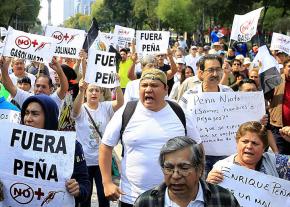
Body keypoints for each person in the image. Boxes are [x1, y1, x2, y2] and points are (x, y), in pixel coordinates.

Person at [99, 68, 200, 206]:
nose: (148, 89)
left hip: (175, 199)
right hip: (132, 198)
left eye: (154, 85)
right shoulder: (126, 112)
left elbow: (198, 148)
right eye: (144, 85)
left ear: (166, 89)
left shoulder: (180, 113)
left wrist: (197, 181)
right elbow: (105, 147)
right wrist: (107, 183)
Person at [20, 94, 90, 206]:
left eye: (35, 114)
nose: (28, 119)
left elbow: (85, 184)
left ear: (49, 117)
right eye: (26, 113)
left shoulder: (71, 146)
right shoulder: (14, 143)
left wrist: (78, 189)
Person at [134, 136, 240, 207]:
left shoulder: (224, 200)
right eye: (169, 168)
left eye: (184, 168)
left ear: (200, 169)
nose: (175, 176)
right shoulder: (146, 202)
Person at [72, 79, 124, 207]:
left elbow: (120, 103)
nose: (94, 93)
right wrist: (81, 90)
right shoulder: (81, 108)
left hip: (102, 162)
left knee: (103, 196)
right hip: (84, 162)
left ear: (101, 93)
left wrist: (117, 84)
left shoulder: (105, 107)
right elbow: (74, 111)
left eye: (97, 90)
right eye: (91, 90)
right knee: (85, 198)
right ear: (86, 93)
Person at [179, 55, 233, 175]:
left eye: (218, 69)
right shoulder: (189, 96)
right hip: (198, 157)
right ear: (201, 73)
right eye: (210, 70)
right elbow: (179, 122)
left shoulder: (229, 93)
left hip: (226, 156)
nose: (215, 74)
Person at [207, 121, 289, 184]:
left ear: (264, 147)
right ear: (237, 142)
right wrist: (209, 185)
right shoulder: (221, 168)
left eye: (254, 143)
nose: (249, 146)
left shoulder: (275, 162)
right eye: (245, 141)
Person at [0, 56, 68, 109]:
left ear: (51, 89)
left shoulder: (54, 99)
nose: (39, 89)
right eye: (37, 86)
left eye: (44, 87)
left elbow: (64, 88)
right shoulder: (27, 98)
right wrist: (4, 69)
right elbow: (9, 86)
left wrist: (59, 70)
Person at [266, 57, 290, 155]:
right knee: (280, 158)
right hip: (278, 128)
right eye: (289, 66)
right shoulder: (276, 80)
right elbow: (265, 97)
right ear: (284, 68)